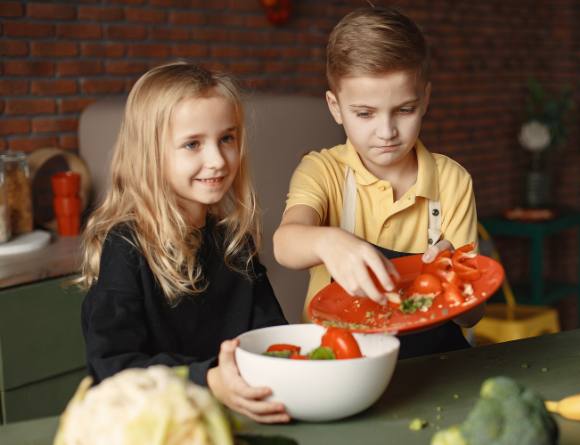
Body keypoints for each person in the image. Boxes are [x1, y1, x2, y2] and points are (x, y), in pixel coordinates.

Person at [79, 62, 290, 423]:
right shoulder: (126, 247)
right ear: (150, 154)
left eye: (227, 138)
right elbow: (114, 368)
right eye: (192, 144)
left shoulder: (234, 242)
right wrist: (208, 380)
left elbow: (273, 340)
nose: (218, 160)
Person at [273, 6, 482, 359]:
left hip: (432, 364)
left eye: (404, 110)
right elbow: (285, 243)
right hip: (341, 362)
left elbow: (475, 316)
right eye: (365, 114)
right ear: (335, 107)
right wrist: (329, 240)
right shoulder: (323, 171)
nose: (386, 132)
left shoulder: (452, 181)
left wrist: (454, 281)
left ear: (425, 99)